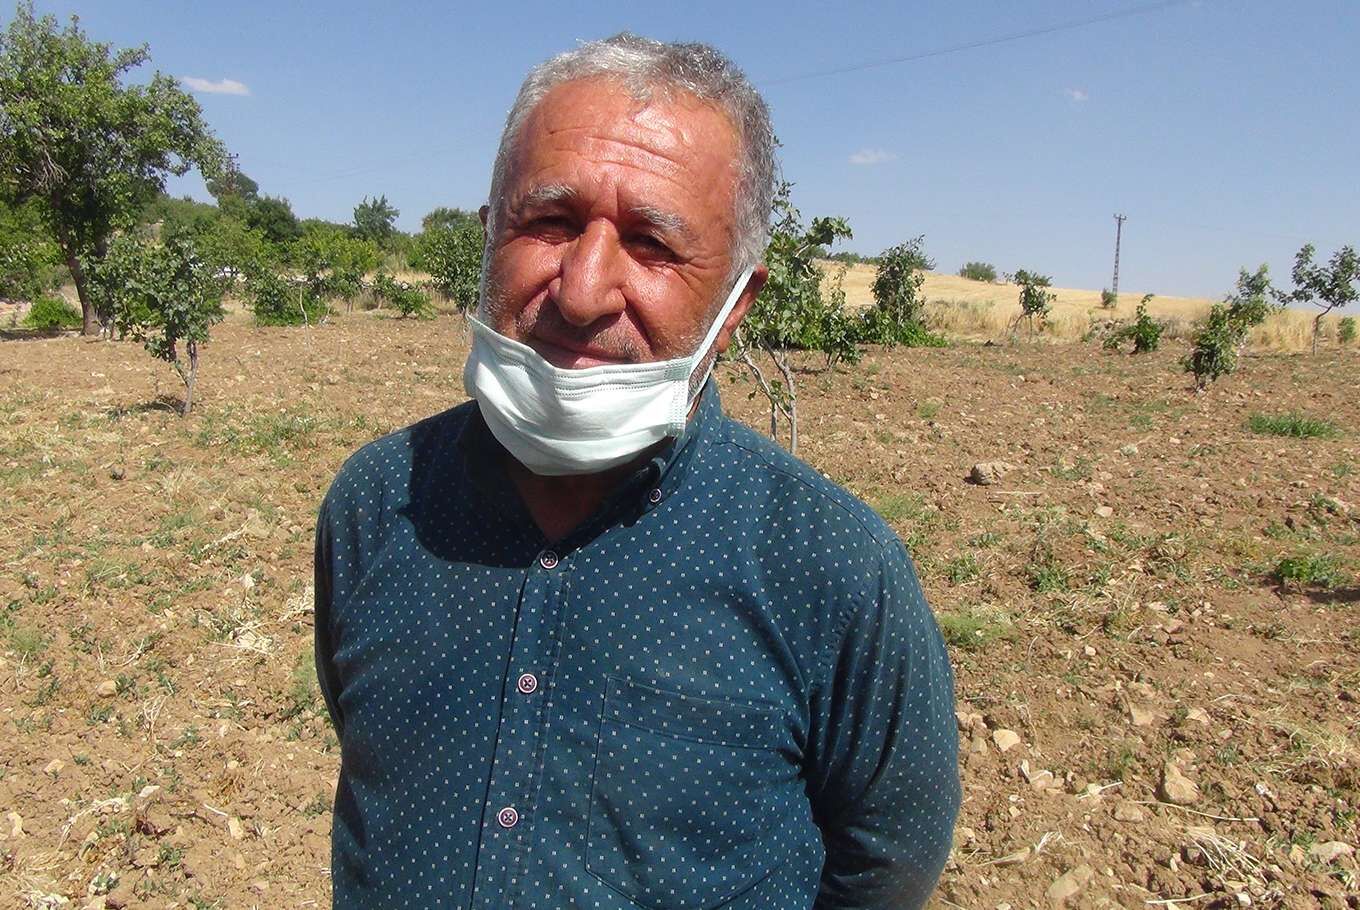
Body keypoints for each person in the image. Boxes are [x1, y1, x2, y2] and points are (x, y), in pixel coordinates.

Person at [314, 33, 960, 910]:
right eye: (550, 222)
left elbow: (889, 861)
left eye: (652, 243)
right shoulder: (379, 502)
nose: (582, 290)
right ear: (489, 234)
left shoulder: (831, 568)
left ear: (736, 304)